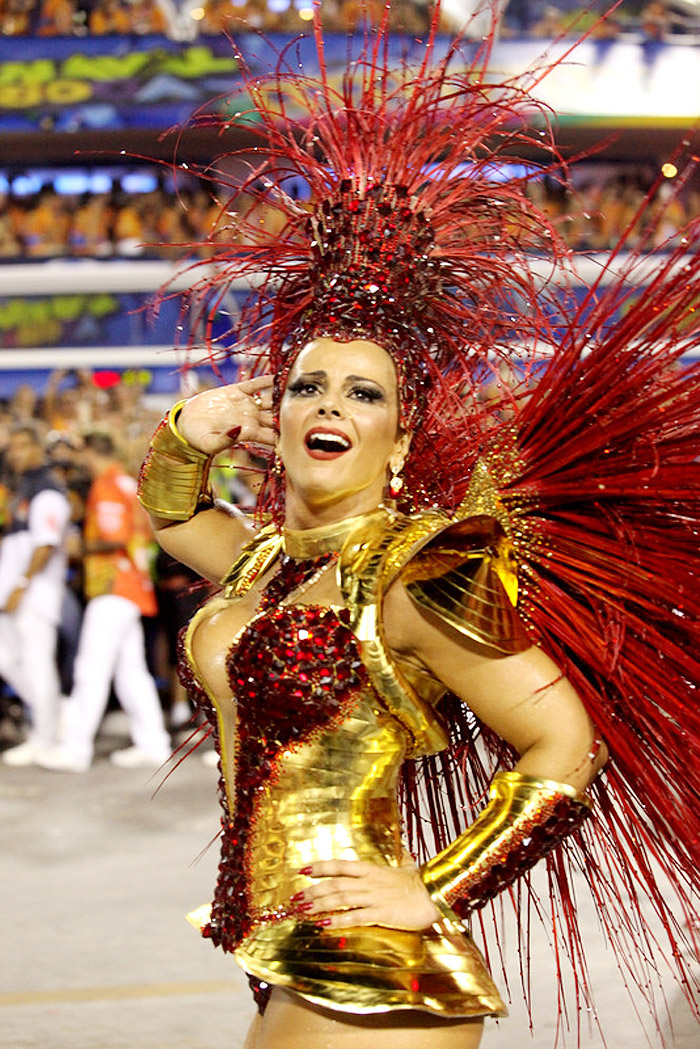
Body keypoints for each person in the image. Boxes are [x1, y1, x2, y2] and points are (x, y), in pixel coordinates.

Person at [138, 7, 700, 1047]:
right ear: (278, 409)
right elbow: (173, 516)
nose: (329, 407)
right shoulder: (265, 561)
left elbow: (560, 742)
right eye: (308, 383)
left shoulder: (417, 571)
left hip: (372, 969)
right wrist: (187, 428)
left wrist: (432, 885)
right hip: (280, 944)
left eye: (363, 393)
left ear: (398, 439)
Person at [40, 431, 171, 772]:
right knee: (131, 673)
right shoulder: (127, 483)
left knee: (90, 668)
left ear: (90, 452)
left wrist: (80, 547)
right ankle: (153, 743)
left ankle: (74, 751)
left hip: (114, 585)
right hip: (132, 586)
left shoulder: (108, 485)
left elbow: (114, 537)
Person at [0, 423, 72, 766]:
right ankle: (55, 715)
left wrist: (22, 585)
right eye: (10, 447)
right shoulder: (23, 489)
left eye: (21, 446)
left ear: (36, 449)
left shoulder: (47, 490)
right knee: (6, 659)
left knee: (37, 663)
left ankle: (45, 738)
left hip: (35, 593)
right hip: (14, 591)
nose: (14, 453)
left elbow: (46, 544)